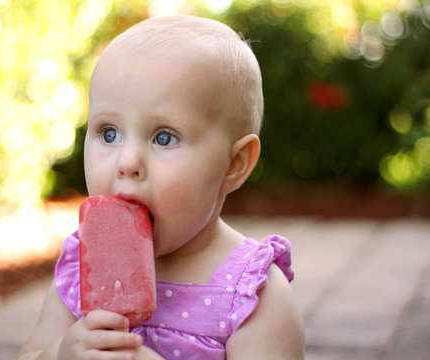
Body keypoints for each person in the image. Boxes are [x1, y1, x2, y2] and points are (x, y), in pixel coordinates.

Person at [18, 14, 305, 360]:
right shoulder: (82, 269)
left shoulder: (254, 296)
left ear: (234, 164)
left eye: (164, 137)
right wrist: (60, 353)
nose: (127, 162)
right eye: (109, 133)